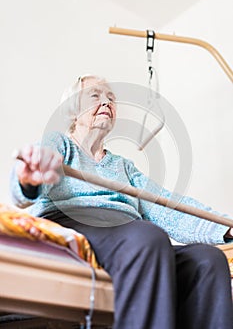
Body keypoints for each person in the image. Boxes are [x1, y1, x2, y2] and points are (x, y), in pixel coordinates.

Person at [11, 74, 233, 329]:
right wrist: (28, 179)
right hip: (73, 227)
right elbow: (31, 172)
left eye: (111, 98)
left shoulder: (124, 167)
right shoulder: (59, 143)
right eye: (95, 95)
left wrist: (226, 226)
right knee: (147, 237)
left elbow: (168, 207)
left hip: (127, 235)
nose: (106, 102)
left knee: (208, 261)